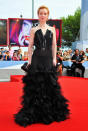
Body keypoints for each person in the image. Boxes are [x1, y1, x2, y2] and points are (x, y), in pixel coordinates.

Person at [14, 5, 70, 127]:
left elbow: (54, 46)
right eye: (41, 13)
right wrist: (29, 61)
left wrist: (55, 59)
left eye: (45, 13)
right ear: (38, 15)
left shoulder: (52, 29)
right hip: (37, 58)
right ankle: (34, 113)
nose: (43, 15)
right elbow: (30, 46)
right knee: (35, 86)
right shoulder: (33, 29)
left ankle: (49, 112)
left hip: (48, 59)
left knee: (49, 85)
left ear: (47, 15)